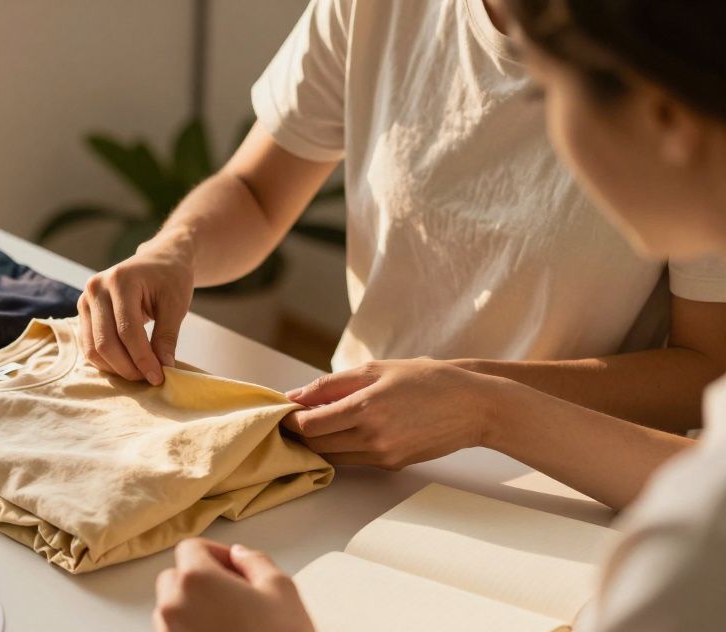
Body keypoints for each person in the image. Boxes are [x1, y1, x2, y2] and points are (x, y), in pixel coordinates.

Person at [153, 1, 726, 632]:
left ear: (663, 115)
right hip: (353, 474)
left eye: (548, 94)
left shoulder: (693, 538)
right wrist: (176, 248)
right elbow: (258, 189)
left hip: (558, 515)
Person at [77, 0, 726, 479]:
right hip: (354, 447)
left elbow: (706, 368)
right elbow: (258, 191)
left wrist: (474, 399)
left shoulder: (672, 65)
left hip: (577, 478)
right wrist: (172, 249)